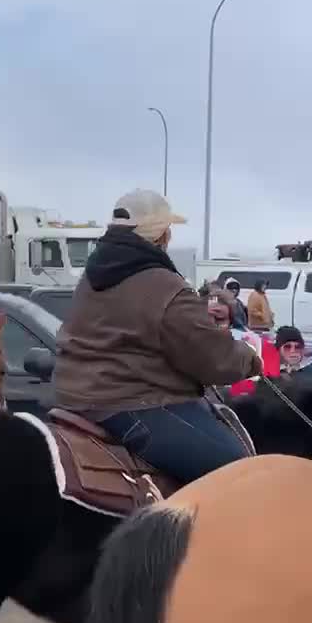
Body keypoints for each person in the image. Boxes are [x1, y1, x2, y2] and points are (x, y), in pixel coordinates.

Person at [52, 189, 262, 485]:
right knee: (238, 474)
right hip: (133, 403)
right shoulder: (166, 286)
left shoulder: (92, 275)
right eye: (168, 230)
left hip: (74, 396)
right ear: (161, 235)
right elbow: (212, 358)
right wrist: (250, 359)